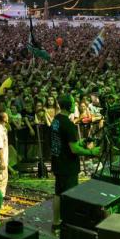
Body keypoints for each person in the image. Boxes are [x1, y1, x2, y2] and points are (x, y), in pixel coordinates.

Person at [50, 94, 99, 229]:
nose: (75, 105)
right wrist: (91, 152)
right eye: (73, 103)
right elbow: (73, 149)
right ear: (69, 105)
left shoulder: (56, 120)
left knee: (58, 194)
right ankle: (69, 224)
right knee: (70, 195)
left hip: (57, 162)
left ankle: (56, 222)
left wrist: (80, 142)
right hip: (68, 166)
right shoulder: (68, 124)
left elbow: (66, 142)